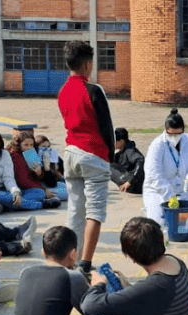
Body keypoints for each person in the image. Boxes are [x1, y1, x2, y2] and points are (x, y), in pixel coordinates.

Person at [58, 41, 115, 274]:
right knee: (95, 212)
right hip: (92, 155)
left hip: (70, 153)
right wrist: (110, 157)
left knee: (75, 210)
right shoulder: (93, 90)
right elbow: (106, 127)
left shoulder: (62, 91)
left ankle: (70, 262)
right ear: (88, 64)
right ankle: (85, 265)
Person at [142, 108, 188, 227]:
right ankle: (150, 209)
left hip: (182, 189)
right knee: (159, 225)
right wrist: (169, 195)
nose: (174, 137)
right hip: (158, 190)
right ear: (165, 129)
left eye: (178, 133)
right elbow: (153, 174)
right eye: (171, 134)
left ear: (183, 129)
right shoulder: (157, 145)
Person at [0, 127, 42, 212]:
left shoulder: (4, 154)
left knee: (39, 193)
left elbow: (8, 178)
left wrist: (15, 193)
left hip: (6, 190)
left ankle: (8, 206)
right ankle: (39, 205)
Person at [7, 131, 60, 209]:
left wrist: (39, 173)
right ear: (19, 145)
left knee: (62, 186)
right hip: (22, 189)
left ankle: (24, 204)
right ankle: (40, 204)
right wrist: (43, 189)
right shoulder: (16, 156)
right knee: (41, 193)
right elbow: (23, 182)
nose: (29, 147)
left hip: (34, 186)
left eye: (31, 145)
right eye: (26, 145)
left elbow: (37, 177)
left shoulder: (30, 154)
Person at [110, 127, 145, 195]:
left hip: (135, 185)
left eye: (114, 141)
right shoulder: (121, 152)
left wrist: (129, 182)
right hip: (132, 182)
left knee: (106, 166)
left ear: (122, 141)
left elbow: (141, 161)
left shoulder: (130, 151)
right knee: (106, 162)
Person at [35, 135, 68, 201]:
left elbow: (64, 170)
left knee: (70, 187)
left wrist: (58, 173)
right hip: (42, 186)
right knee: (67, 193)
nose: (46, 149)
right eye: (43, 147)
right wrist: (47, 169)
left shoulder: (52, 155)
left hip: (54, 183)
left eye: (48, 147)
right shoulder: (35, 160)